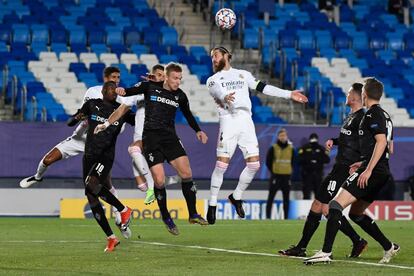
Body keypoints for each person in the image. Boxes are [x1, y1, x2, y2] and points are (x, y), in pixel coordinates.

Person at [94, 62, 209, 235]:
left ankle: (193, 213)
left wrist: (198, 130)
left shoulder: (180, 96)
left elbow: (188, 114)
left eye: (180, 79)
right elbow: (129, 91)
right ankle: (166, 217)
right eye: (175, 78)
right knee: (160, 180)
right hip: (151, 139)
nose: (178, 82)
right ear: (167, 76)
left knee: (187, 174)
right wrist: (121, 91)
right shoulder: (149, 87)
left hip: (170, 138)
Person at [19, 67, 131, 238]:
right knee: (48, 159)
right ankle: (37, 177)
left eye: (118, 77)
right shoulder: (93, 92)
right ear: (105, 77)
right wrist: (79, 118)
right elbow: (83, 113)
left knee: (103, 184)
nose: (116, 80)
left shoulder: (123, 99)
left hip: (102, 145)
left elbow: (131, 119)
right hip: (81, 139)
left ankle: (120, 219)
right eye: (113, 77)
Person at [205, 46, 308, 225]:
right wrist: (224, 96)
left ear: (227, 56)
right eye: (212, 57)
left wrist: (288, 94)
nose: (213, 59)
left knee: (254, 165)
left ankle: (236, 196)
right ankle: (212, 204)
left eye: (216, 55)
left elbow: (263, 87)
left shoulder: (243, 75)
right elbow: (216, 91)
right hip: (228, 120)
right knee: (221, 165)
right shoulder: (212, 79)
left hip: (246, 121)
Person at [304, 78, 399, 265]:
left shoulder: (371, 115)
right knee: (356, 214)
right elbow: (390, 148)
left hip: (373, 171)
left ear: (365, 94)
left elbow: (381, 143)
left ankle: (325, 252)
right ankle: (389, 247)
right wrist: (363, 162)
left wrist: (368, 168)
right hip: (381, 171)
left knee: (334, 205)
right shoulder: (386, 116)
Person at [280, 83, 367, 258]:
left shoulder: (362, 118)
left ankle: (307, 248)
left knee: (323, 206)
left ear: (356, 97)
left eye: (349, 92)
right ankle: (355, 241)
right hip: (339, 166)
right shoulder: (351, 117)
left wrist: (360, 164)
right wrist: (334, 141)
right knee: (322, 207)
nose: (347, 95)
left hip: (345, 169)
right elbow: (349, 140)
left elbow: (368, 144)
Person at [68, 81, 133, 252]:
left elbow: (140, 121)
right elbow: (73, 121)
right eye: (110, 89)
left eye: (115, 90)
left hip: (106, 156)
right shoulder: (91, 104)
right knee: (91, 196)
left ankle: (123, 209)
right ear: (103, 91)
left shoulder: (122, 110)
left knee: (92, 185)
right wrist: (76, 118)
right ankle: (111, 238)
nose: (113, 92)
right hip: (89, 155)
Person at [123, 64, 166, 205]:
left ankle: (152, 187)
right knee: (141, 186)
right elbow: (124, 104)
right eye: (158, 74)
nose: (161, 77)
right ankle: (157, 184)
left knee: (133, 149)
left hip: (152, 134)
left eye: (163, 75)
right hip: (138, 135)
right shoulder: (141, 88)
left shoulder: (166, 91)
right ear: (152, 74)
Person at [265, 128, 294, 220]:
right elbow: (268, 162)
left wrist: (289, 171)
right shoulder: (273, 148)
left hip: (286, 177)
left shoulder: (291, 148)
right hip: (276, 176)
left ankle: (286, 218)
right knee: (270, 199)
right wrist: (274, 171)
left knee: (286, 199)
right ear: (278, 137)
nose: (283, 137)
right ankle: (268, 218)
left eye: (284, 135)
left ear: (287, 137)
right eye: (281, 136)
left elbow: (293, 161)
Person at [298, 133, 331, 199]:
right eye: (313, 138)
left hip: (318, 174)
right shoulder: (304, 148)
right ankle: (306, 208)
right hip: (307, 174)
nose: (314, 140)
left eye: (314, 138)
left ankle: (317, 209)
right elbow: (299, 160)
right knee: (306, 193)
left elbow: (327, 160)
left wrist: (317, 159)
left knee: (318, 195)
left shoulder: (321, 149)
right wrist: (309, 160)